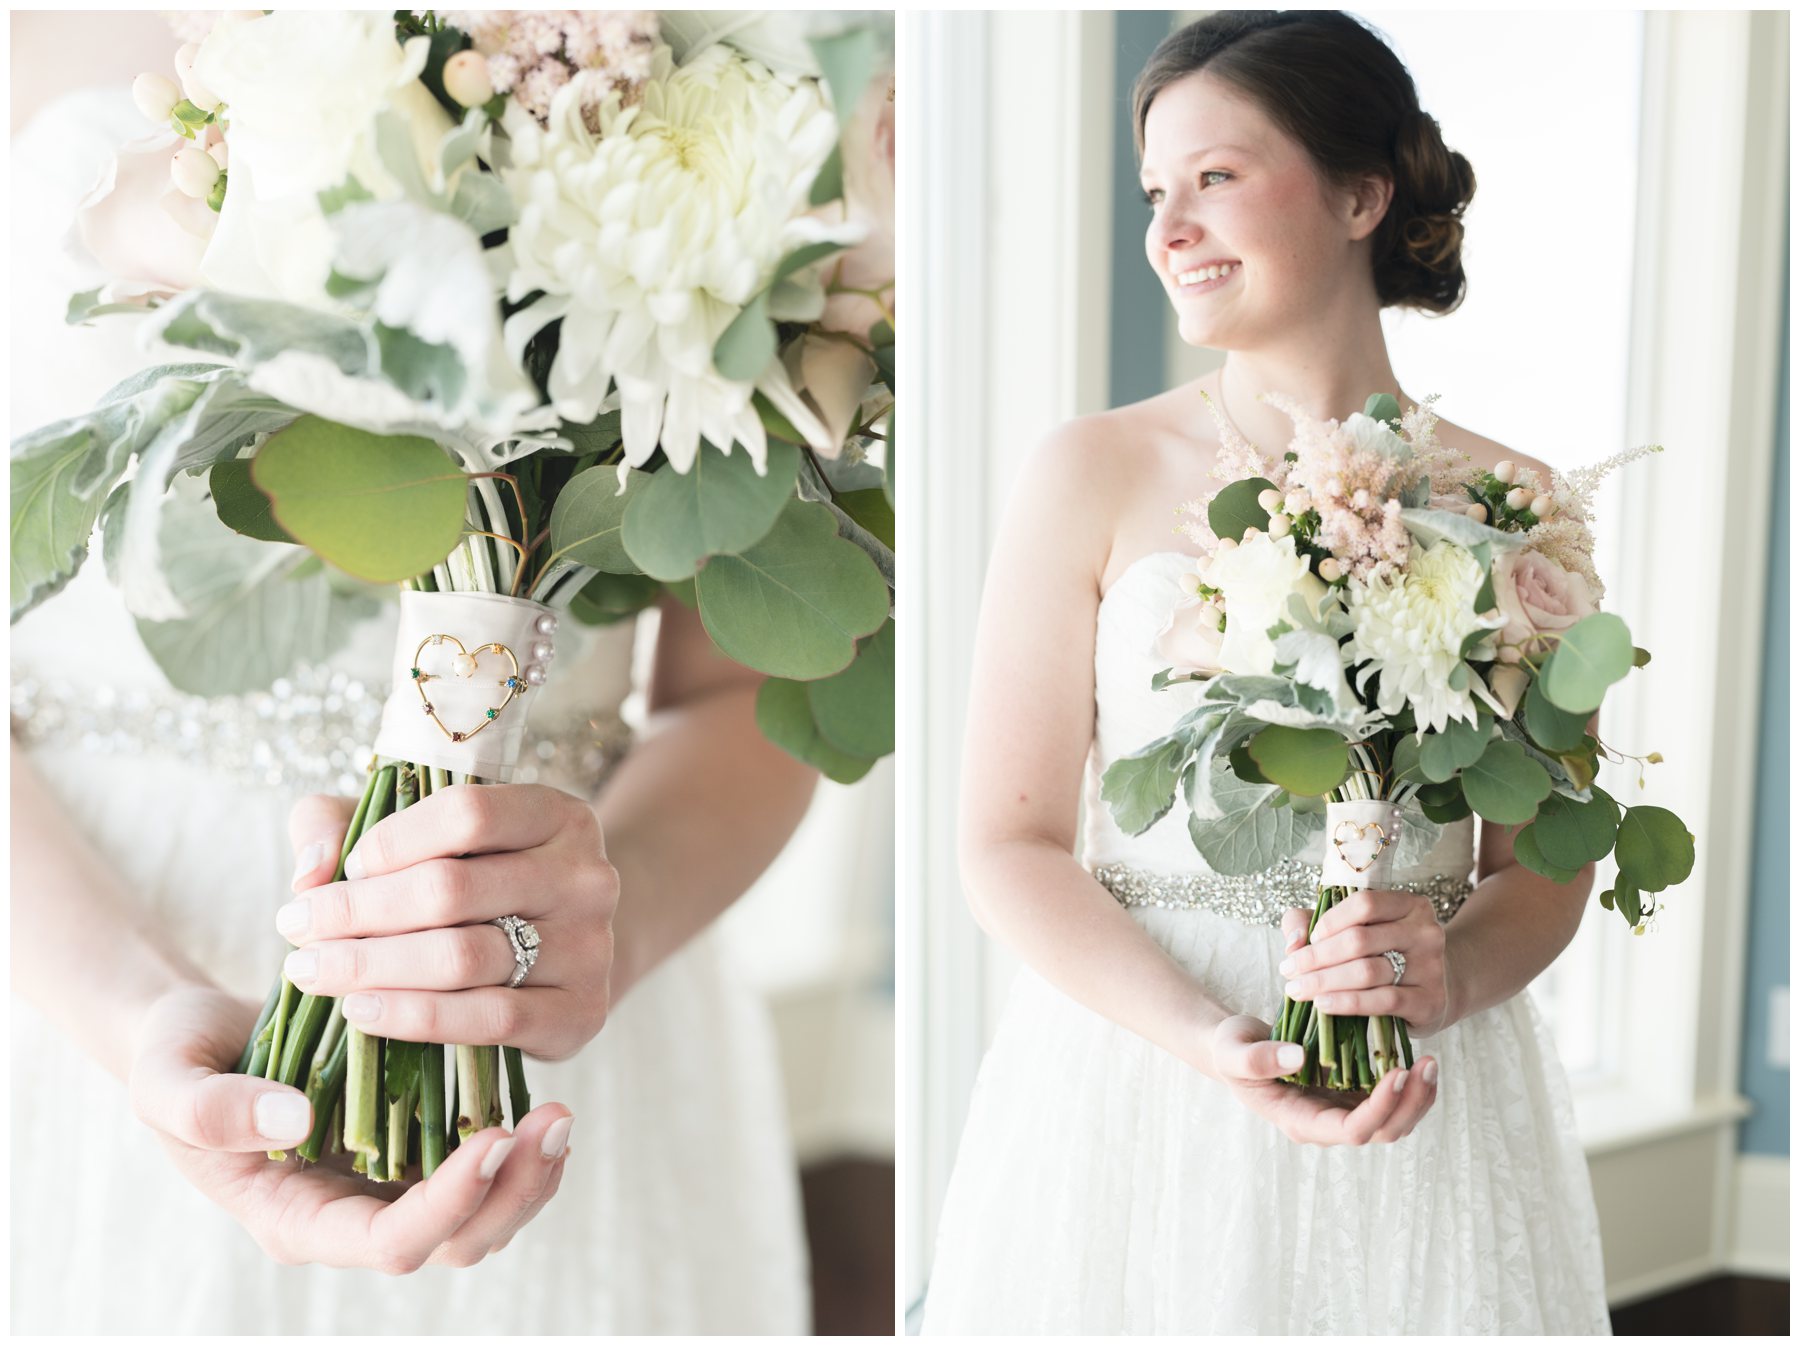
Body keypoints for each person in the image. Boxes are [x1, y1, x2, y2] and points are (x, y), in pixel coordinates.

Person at [9, 43, 818, 1336]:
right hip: (71, 973)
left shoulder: (699, 65)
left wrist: (605, 924)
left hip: (552, 1021)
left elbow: (754, 685)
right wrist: (137, 1010)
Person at [920, 11, 1610, 1335]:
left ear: (1362, 193)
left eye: (1217, 178)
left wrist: (1442, 978)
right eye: (1154, 193)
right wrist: (1208, 1041)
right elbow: (1005, 845)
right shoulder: (1091, 472)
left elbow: (1546, 864)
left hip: (1423, 1094)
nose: (1168, 228)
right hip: (1138, 1082)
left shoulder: (1519, 506)